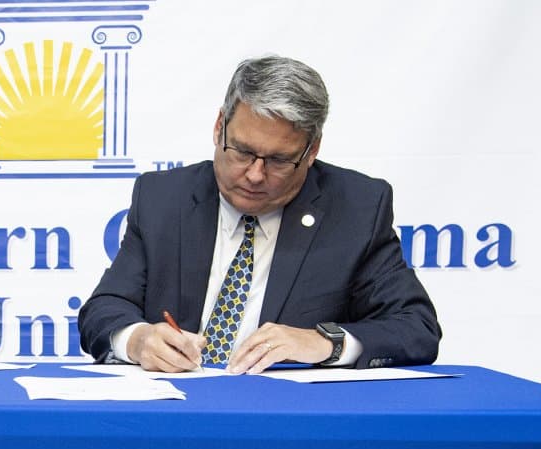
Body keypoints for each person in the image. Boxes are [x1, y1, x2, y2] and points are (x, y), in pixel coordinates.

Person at [78, 55, 441, 374]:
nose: (254, 174)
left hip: (289, 422)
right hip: (177, 410)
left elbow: (416, 328)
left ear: (311, 151)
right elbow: (105, 308)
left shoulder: (357, 208)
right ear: (219, 127)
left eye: (279, 160)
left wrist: (323, 343)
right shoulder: (163, 198)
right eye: (242, 151)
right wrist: (138, 340)